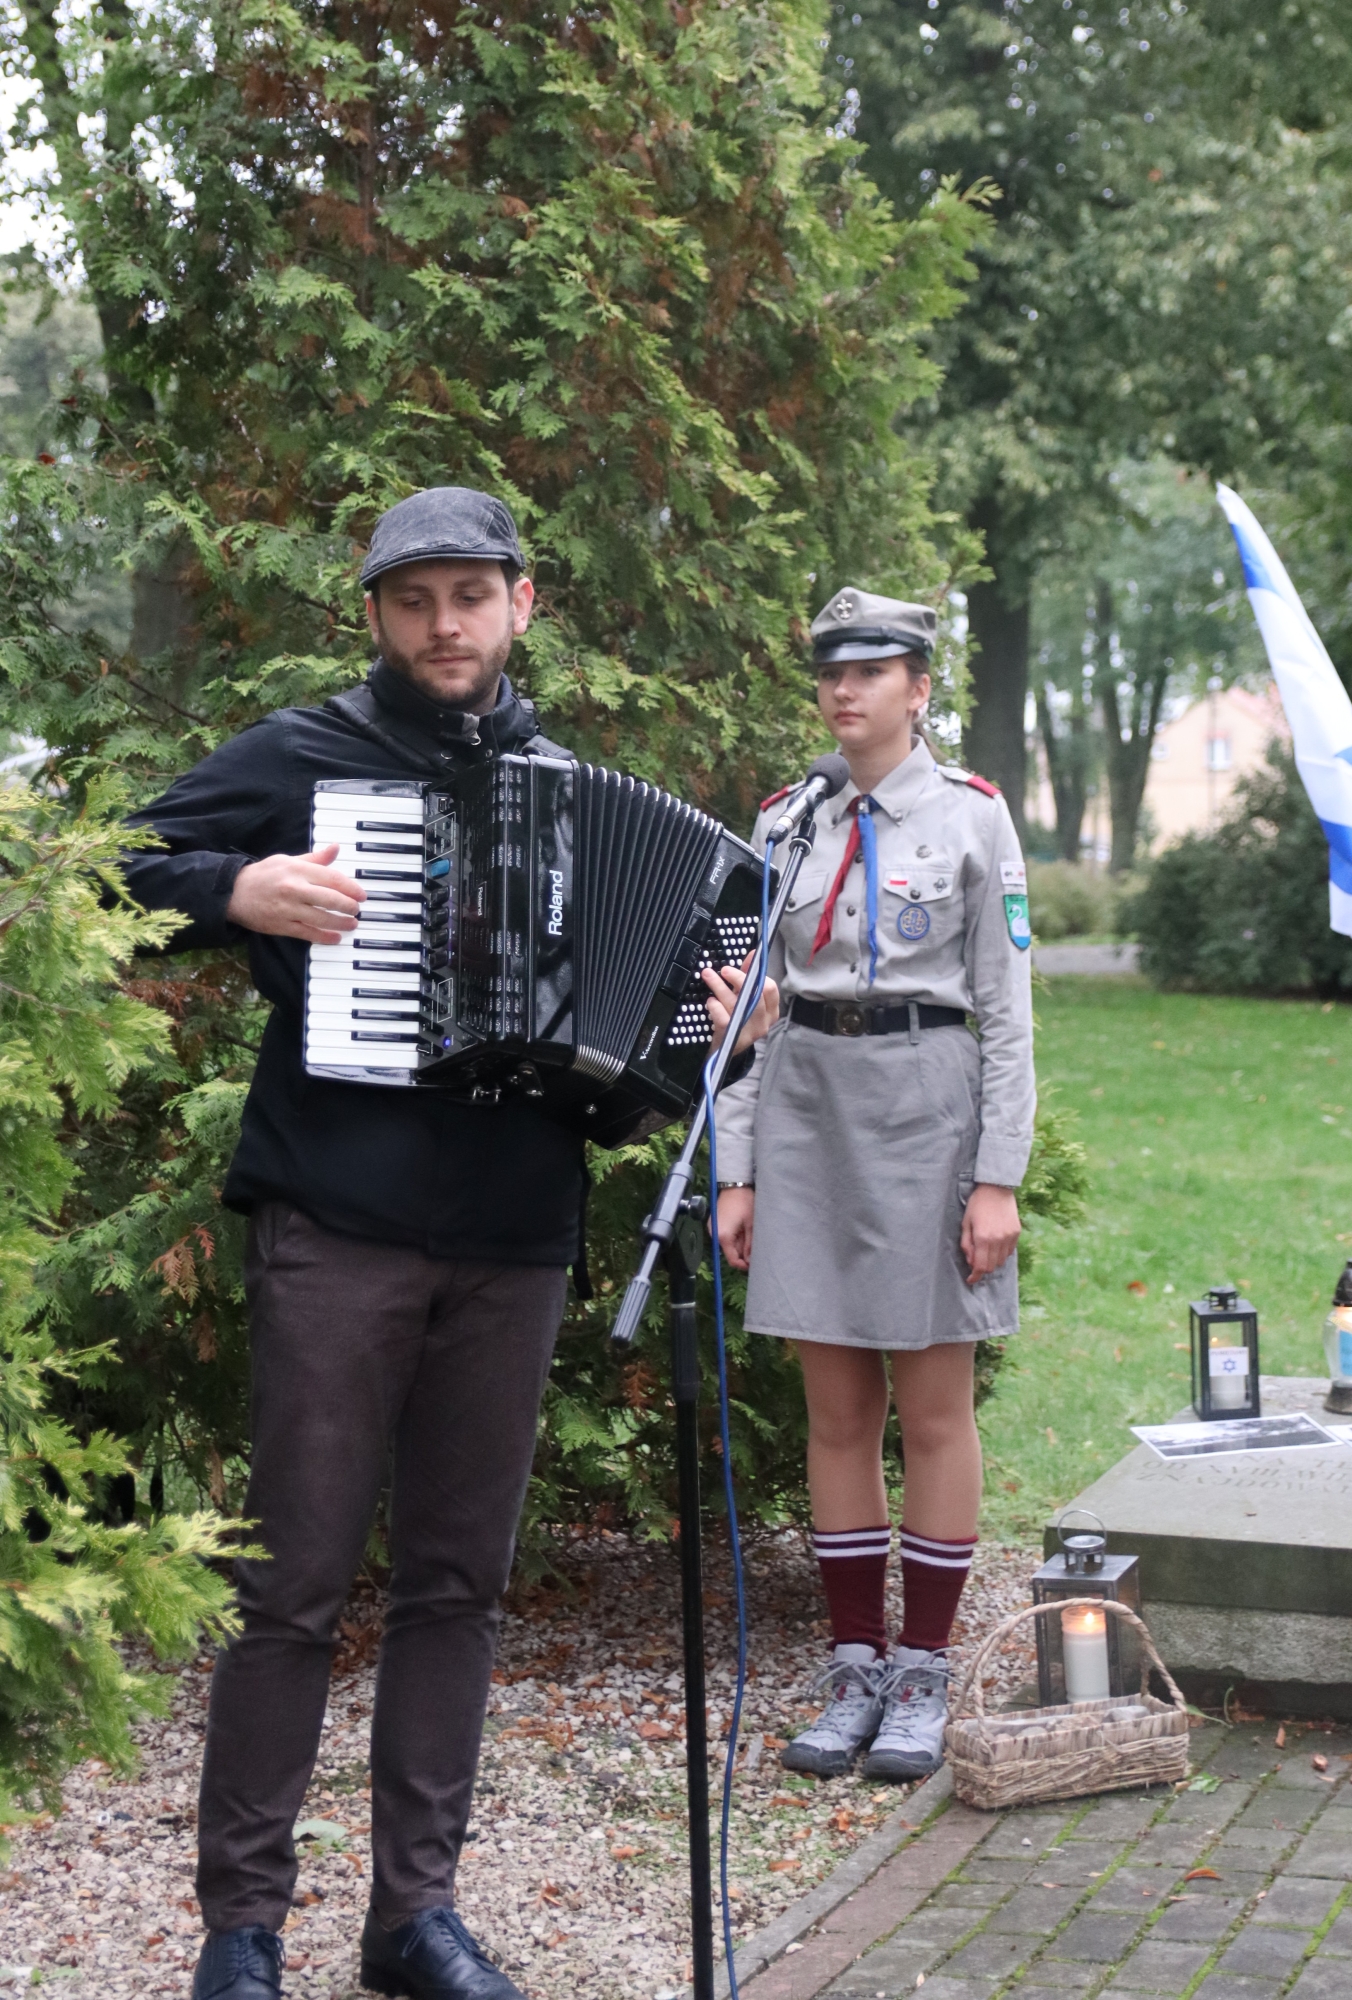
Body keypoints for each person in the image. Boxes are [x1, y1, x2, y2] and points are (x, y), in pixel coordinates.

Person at [121, 487, 775, 2000]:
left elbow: (646, 1065)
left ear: (519, 604)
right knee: (290, 1585)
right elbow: (111, 868)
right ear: (372, 614)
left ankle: (413, 1916)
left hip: (513, 1236)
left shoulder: (564, 785)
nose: (442, 625)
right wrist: (234, 889)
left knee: (456, 1587)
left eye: (469, 595)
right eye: (412, 599)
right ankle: (242, 1927)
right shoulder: (306, 755)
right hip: (336, 1224)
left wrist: (720, 1031)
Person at [714, 586, 1035, 1783]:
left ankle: (923, 1668)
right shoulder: (784, 820)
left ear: (917, 686)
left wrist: (995, 1176)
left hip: (925, 1111)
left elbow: (1006, 1014)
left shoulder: (970, 818)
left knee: (933, 1407)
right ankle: (853, 1661)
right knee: (836, 1411)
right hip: (805, 1112)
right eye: (829, 671)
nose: (843, 690)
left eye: (869, 670)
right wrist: (736, 1168)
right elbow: (748, 1013)